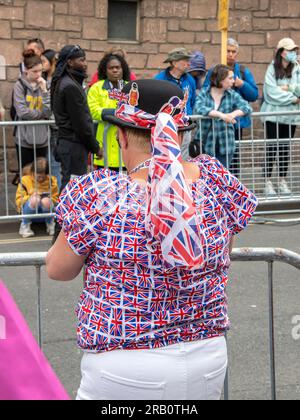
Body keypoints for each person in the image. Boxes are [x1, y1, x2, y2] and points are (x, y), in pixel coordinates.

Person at [46, 79, 258, 401]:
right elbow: (222, 253)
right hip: (207, 357)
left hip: (125, 363)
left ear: (121, 137)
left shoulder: (100, 194)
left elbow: (58, 268)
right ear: (182, 135)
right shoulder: (214, 183)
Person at [203, 38, 259, 177]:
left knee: (234, 158)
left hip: (235, 123)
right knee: (216, 156)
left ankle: (233, 187)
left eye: (233, 52)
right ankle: (216, 184)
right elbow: (204, 93)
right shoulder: (214, 71)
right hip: (217, 123)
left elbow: (254, 95)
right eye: (228, 51)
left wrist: (242, 84)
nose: (230, 54)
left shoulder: (243, 71)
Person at [51, 44, 102, 192]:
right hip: (73, 145)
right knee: (72, 188)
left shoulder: (65, 81)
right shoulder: (70, 86)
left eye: (85, 60)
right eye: (81, 60)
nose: (85, 64)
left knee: (71, 185)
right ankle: (62, 215)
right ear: (69, 62)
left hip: (68, 143)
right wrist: (95, 147)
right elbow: (81, 123)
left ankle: (64, 214)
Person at [261, 38, 300, 197]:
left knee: (285, 149)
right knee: (271, 149)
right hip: (272, 116)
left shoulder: (296, 67)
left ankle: (282, 180)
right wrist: (292, 98)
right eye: (290, 50)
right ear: (282, 52)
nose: (293, 53)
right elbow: (271, 93)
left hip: (290, 117)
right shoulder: (271, 69)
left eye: (294, 50)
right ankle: (267, 182)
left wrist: (289, 87)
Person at [193, 64, 252, 168]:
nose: (233, 81)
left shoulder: (231, 94)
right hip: (205, 143)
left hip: (226, 143)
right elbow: (198, 107)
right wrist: (222, 115)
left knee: (223, 176)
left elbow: (246, 107)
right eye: (230, 78)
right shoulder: (204, 93)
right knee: (206, 176)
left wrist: (232, 115)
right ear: (220, 79)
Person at [87, 52, 130, 170]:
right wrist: (116, 113)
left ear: (123, 69)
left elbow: (135, 110)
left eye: (118, 67)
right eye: (111, 68)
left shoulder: (131, 87)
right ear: (105, 70)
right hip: (104, 147)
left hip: (126, 147)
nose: (115, 70)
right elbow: (93, 110)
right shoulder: (96, 88)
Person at [13, 49, 51, 170]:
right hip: (24, 139)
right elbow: (22, 112)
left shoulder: (45, 84)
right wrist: (41, 115)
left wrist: (45, 91)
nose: (38, 74)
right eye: (34, 71)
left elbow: (49, 112)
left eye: (40, 70)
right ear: (26, 71)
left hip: (43, 139)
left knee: (41, 175)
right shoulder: (19, 86)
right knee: (26, 174)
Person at [16, 157, 58, 238]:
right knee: (35, 200)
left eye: (43, 177)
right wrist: (30, 197)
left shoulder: (52, 180)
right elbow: (18, 200)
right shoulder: (24, 180)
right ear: (32, 172)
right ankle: (25, 226)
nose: (41, 179)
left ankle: (50, 224)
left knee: (46, 200)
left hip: (45, 212)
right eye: (38, 176)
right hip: (29, 212)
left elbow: (55, 198)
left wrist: (48, 198)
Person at [41, 49, 61, 190]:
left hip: (55, 126)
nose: (41, 65)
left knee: (54, 165)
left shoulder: (57, 79)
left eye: (43, 61)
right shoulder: (41, 78)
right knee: (47, 164)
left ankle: (57, 200)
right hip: (44, 128)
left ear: (52, 62)